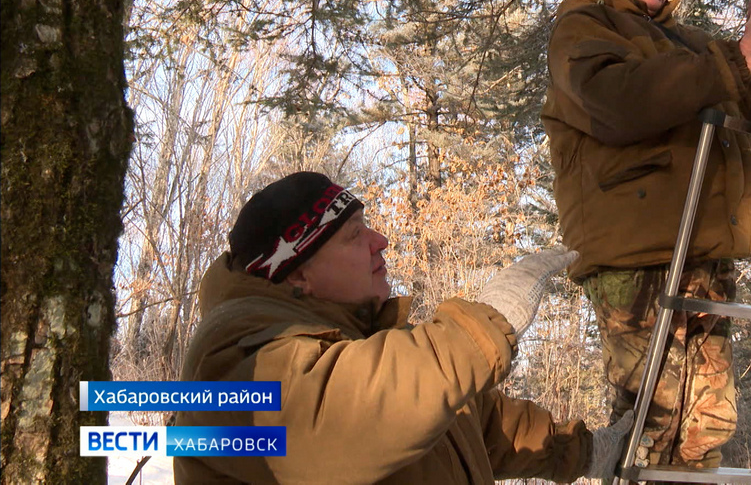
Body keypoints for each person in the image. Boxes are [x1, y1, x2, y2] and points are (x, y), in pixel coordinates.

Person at [541, 0, 751, 471]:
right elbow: (618, 101)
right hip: (636, 258)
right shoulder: (582, 31)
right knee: (650, 426)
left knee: (707, 427)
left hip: (703, 249)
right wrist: (736, 61)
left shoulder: (687, 41)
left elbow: (734, 94)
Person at [173, 171, 633, 484]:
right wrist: (485, 327)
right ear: (297, 273)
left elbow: (480, 421)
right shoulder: (233, 356)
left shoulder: (359, 340)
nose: (380, 242)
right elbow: (341, 414)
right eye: (355, 236)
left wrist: (589, 452)